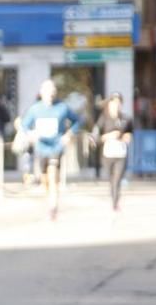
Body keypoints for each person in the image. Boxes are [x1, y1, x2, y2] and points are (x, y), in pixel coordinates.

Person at [20, 79, 81, 221]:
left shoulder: (63, 107)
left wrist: (69, 134)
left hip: (56, 147)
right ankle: (50, 200)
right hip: (41, 148)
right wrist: (31, 134)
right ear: (41, 93)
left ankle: (53, 207)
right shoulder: (35, 109)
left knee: (53, 177)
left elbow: (77, 121)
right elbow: (24, 125)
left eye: (52, 91)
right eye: (47, 91)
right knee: (45, 179)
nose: (50, 94)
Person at [93, 92, 133, 212]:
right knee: (111, 179)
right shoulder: (103, 119)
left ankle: (115, 203)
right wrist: (109, 136)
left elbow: (130, 135)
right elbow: (96, 137)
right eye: (114, 103)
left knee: (117, 178)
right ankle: (113, 198)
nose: (116, 105)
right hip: (108, 153)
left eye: (118, 103)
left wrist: (125, 137)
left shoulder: (126, 119)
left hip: (121, 153)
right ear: (109, 104)